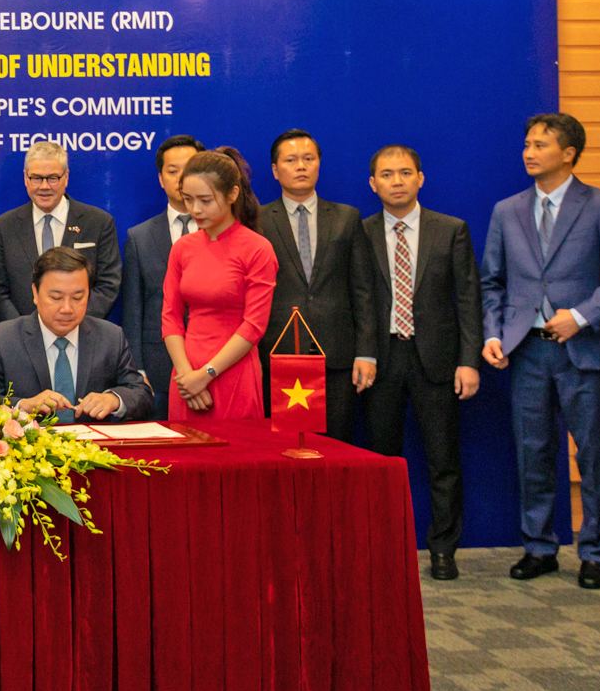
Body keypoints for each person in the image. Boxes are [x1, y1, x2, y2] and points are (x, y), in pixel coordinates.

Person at [481, 113, 600, 591]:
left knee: (594, 455)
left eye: (540, 144)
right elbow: (491, 281)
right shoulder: (507, 210)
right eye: (526, 143)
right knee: (533, 452)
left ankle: (595, 552)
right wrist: (493, 333)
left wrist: (581, 315)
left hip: (588, 352)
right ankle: (539, 547)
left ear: (569, 153)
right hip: (528, 352)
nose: (529, 152)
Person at [359, 145, 483, 582]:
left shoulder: (450, 230)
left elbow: (468, 300)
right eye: (387, 174)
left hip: (437, 360)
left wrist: (469, 361)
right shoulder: (362, 231)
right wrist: (365, 352)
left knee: (443, 460)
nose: (397, 181)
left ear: (420, 179)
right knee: (383, 461)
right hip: (383, 361)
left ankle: (443, 550)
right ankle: (386, 547)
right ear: (373, 183)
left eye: (405, 172)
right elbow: (362, 299)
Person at [256, 129, 376, 440]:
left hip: (336, 355)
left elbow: (362, 290)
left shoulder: (346, 218)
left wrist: (366, 352)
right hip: (278, 354)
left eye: (308, 159)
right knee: (284, 449)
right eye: (291, 160)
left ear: (319, 164)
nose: (301, 166)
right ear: (275, 169)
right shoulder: (257, 220)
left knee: (336, 447)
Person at [161, 148, 278, 422]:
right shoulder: (182, 248)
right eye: (188, 200)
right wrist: (186, 375)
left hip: (233, 372)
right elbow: (170, 317)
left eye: (205, 200)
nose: (195, 210)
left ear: (232, 194)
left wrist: (206, 374)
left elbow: (254, 326)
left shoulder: (257, 249)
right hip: (185, 375)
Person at [0, 248, 152, 422]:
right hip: (31, 447)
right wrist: (23, 405)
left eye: (77, 298)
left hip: (94, 447)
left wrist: (114, 399)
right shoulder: (4, 339)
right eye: (56, 297)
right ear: (35, 293)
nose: (67, 309)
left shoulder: (111, 337)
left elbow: (142, 394)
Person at [0, 139, 122, 322]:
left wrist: (70, 322)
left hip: (81, 334)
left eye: (52, 178)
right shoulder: (3, 227)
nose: (44, 186)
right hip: (21, 339)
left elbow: (108, 284)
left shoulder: (98, 222)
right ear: (25, 179)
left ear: (66, 177)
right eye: (36, 178)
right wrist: (25, 330)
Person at [120, 133, 204, 416]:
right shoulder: (139, 237)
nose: (182, 179)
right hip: (159, 366)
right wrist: (137, 369)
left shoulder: (223, 232)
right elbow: (133, 308)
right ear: (160, 179)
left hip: (214, 359)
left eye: (190, 168)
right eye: (173, 171)